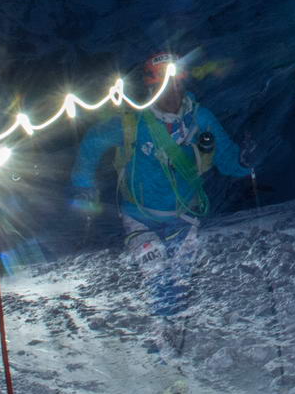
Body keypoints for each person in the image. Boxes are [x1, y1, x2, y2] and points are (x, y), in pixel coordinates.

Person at [70, 52, 255, 347]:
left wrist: (246, 162)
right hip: (139, 215)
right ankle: (166, 339)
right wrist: (82, 184)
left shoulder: (200, 119)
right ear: (151, 88)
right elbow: (93, 142)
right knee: (157, 271)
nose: (174, 93)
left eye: (178, 85)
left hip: (184, 214)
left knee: (180, 276)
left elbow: (227, 158)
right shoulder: (132, 122)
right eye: (166, 86)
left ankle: (172, 338)